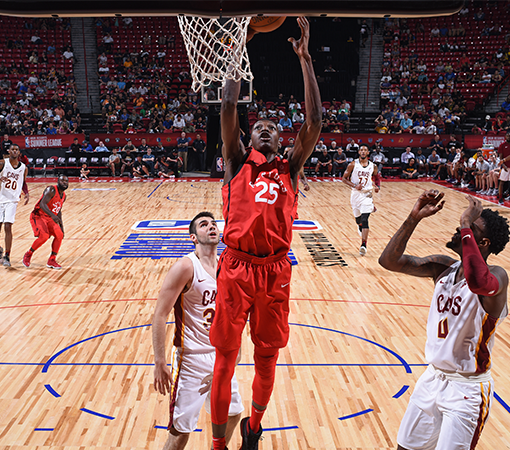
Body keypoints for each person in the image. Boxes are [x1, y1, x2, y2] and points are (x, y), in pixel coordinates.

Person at [210, 17, 321, 450]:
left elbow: (314, 121)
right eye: (260, 126)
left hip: (275, 270)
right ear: (249, 136)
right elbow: (228, 109)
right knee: (226, 357)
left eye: (274, 127)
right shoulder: (238, 161)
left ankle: (254, 427)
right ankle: (219, 445)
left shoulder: (290, 167)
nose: (267, 128)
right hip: (236, 267)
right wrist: (239, 47)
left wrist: (306, 59)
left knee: (267, 355)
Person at [379, 190, 510, 450]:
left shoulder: (498, 276)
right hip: (432, 378)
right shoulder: (443, 268)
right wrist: (413, 218)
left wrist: (465, 224)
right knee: (405, 447)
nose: (458, 229)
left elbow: (478, 282)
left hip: (467, 389)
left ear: (482, 242)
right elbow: (388, 261)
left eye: (469, 228)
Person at [151, 212, 243, 450]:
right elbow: (160, 314)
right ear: (193, 237)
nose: (211, 227)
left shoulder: (228, 266)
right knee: (180, 432)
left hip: (222, 354)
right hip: (191, 358)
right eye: (204, 225)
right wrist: (159, 360)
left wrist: (236, 353)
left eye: (213, 224)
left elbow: (235, 315)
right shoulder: (185, 267)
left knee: (233, 413)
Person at [0, 144, 29, 267]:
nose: (15, 151)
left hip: (13, 200)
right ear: (9, 151)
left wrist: (26, 193)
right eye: (13, 149)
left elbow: (23, 182)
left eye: (17, 149)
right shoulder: (1, 163)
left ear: (19, 152)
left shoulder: (24, 168)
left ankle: (7, 255)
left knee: (8, 227)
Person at [342, 145, 380, 256]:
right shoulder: (352, 164)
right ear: (359, 152)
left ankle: (363, 244)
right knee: (358, 219)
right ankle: (359, 225)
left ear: (368, 153)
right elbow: (344, 179)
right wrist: (354, 185)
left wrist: (378, 186)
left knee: (365, 219)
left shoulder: (373, 166)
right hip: (355, 195)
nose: (363, 152)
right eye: (361, 150)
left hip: (367, 194)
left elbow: (377, 177)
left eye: (365, 150)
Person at [23, 175, 68, 269]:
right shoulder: (51, 190)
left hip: (50, 217)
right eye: (62, 181)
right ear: (58, 181)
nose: (64, 183)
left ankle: (52, 260)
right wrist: (52, 215)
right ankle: (28, 254)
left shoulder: (64, 196)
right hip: (39, 215)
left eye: (66, 181)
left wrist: (62, 227)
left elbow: (58, 210)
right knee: (44, 236)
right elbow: (42, 204)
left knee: (59, 235)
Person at [496, 133, 510, 206]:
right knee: (502, 182)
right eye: (507, 136)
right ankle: (500, 198)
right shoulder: (502, 145)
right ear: (505, 137)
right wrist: (503, 165)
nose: (509, 137)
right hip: (505, 167)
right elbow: (500, 157)